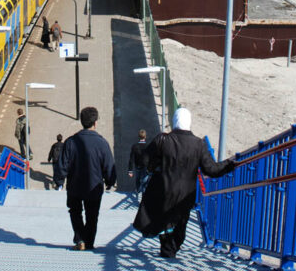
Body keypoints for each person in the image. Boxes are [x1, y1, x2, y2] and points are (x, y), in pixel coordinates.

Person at [134, 108, 235, 258]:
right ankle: (170, 251)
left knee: (164, 220)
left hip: (164, 189)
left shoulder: (162, 140)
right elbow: (211, 169)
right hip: (186, 194)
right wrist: (229, 164)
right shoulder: (199, 144)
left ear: (174, 121)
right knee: (180, 223)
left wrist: (153, 164)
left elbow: (144, 160)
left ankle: (166, 249)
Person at [59, 107, 116, 251]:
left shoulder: (70, 142)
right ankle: (89, 242)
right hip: (94, 186)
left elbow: (63, 164)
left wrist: (59, 180)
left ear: (81, 121)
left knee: (74, 211)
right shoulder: (102, 143)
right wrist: (110, 181)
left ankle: (80, 239)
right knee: (92, 215)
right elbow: (109, 165)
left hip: (74, 186)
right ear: (95, 123)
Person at [128, 129, 149, 195]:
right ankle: (144, 192)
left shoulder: (135, 146)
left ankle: (138, 189)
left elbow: (131, 159)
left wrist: (130, 170)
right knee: (145, 179)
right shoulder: (148, 146)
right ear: (145, 136)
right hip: (146, 166)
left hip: (138, 166)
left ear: (138, 137)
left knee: (137, 178)